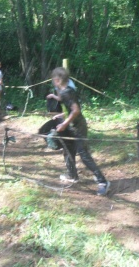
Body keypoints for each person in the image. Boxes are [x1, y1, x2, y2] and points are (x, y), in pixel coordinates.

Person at [46, 67, 110, 196]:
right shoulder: (65, 91)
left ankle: (103, 182)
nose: (53, 81)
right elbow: (69, 108)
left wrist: (64, 124)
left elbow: (76, 111)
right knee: (68, 150)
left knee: (84, 155)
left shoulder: (67, 92)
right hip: (72, 126)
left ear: (57, 80)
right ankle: (72, 175)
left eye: (53, 79)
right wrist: (61, 116)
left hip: (79, 127)